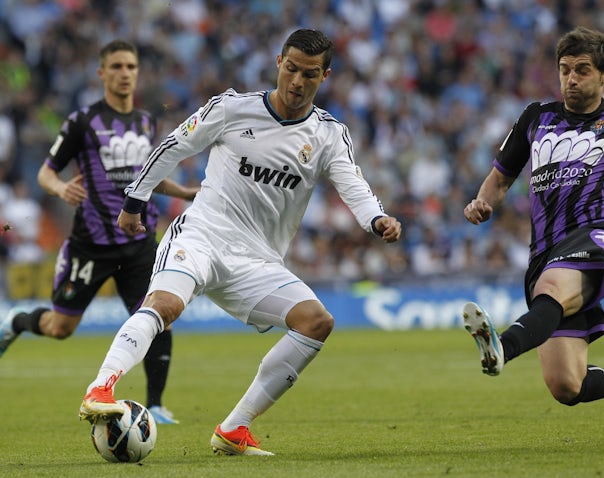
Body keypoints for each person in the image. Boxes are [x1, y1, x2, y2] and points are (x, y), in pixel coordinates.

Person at [78, 29, 402, 456]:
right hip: (202, 235)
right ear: (277, 63)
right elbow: (172, 147)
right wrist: (134, 201)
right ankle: (101, 388)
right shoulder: (231, 108)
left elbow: (352, 185)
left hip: (258, 260)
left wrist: (376, 218)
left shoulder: (327, 134)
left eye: (309, 74)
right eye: (291, 69)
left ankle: (233, 430)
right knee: (164, 306)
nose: (297, 82)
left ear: (325, 76)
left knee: (316, 322)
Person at [0, 40, 198, 424]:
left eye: (131, 67)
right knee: (60, 328)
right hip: (91, 245)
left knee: (158, 314)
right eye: (117, 66)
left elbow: (149, 177)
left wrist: (186, 191)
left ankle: (155, 405)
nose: (125, 73)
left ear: (137, 73)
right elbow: (46, 172)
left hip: (139, 240)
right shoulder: (82, 121)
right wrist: (60, 189)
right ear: (102, 73)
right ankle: (16, 322)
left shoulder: (145, 121)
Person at [462, 26, 604, 410]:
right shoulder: (535, 117)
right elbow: (499, 179)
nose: (571, 79)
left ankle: (502, 347)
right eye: (565, 69)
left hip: (598, 237)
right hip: (545, 251)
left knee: (554, 287)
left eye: (582, 70)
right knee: (566, 385)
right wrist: (482, 202)